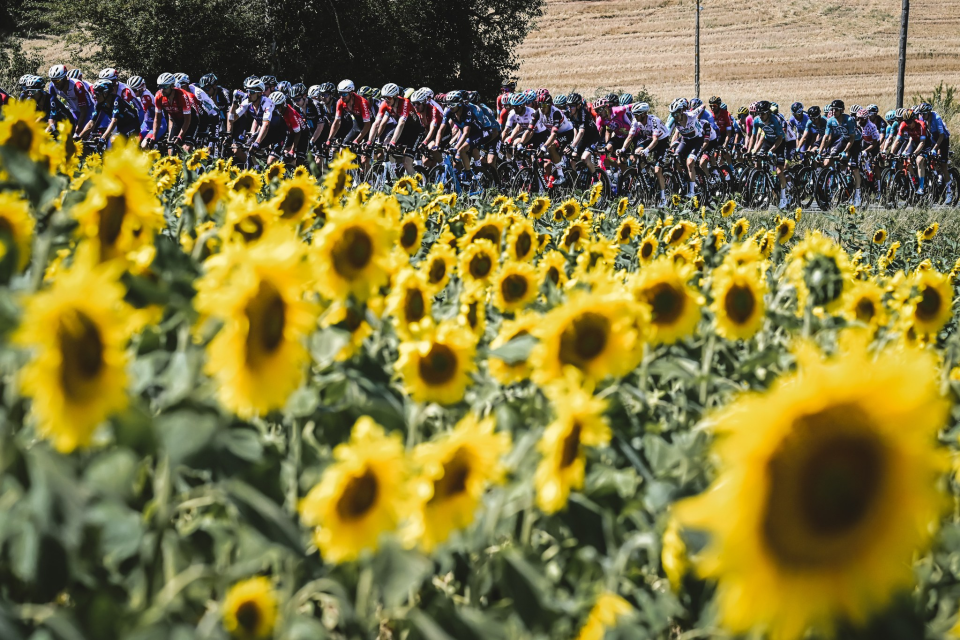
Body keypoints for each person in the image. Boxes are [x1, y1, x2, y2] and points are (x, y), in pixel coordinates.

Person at [623, 102, 670, 205]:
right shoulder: (636, 121)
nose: (634, 116)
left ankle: (663, 198)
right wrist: (622, 149)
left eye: (637, 114)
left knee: (658, 170)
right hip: (649, 139)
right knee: (636, 152)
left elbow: (656, 140)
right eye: (634, 114)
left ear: (644, 114)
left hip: (661, 141)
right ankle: (646, 174)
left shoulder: (654, 121)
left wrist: (647, 150)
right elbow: (630, 137)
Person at [818, 99, 863, 205]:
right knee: (828, 161)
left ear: (842, 110)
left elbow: (852, 139)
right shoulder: (830, 121)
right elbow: (826, 138)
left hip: (855, 142)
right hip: (843, 140)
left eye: (836, 110)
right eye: (832, 109)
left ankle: (858, 194)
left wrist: (845, 151)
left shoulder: (849, 120)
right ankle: (837, 180)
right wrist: (820, 152)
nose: (833, 112)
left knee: (855, 168)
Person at [749, 100, 789, 209]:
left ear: (768, 113)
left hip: (778, 143)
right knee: (757, 162)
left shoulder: (775, 121)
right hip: (767, 141)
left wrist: (771, 150)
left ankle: (783, 197)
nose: (760, 116)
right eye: (758, 113)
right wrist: (751, 151)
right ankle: (765, 189)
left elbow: (780, 138)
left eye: (762, 113)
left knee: (779, 171)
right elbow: (753, 137)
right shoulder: (757, 120)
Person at [665, 97, 706, 199]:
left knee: (690, 162)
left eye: (676, 113)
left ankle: (691, 192)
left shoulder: (691, 115)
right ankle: (683, 177)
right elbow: (667, 133)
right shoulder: (673, 120)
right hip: (686, 140)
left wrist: (698, 118)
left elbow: (703, 106)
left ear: (682, 111)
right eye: (672, 114)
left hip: (697, 140)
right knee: (676, 157)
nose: (674, 116)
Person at [75, 78, 141, 142]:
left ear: (105, 93)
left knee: (114, 141)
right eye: (94, 93)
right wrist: (79, 137)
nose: (94, 96)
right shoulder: (100, 103)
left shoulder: (116, 101)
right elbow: (91, 123)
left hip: (132, 125)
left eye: (97, 94)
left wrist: (103, 138)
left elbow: (114, 121)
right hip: (120, 126)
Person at [146, 72, 195, 153]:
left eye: (165, 87)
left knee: (186, 148)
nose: (162, 90)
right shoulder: (158, 96)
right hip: (176, 121)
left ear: (172, 86)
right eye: (160, 86)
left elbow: (187, 120)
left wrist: (180, 136)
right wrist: (154, 137)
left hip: (190, 121)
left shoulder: (182, 96)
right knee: (170, 148)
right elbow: (157, 119)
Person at [890, 108, 929, 195]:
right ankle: (914, 180)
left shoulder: (921, 125)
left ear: (914, 119)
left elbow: (922, 142)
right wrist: (892, 152)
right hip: (914, 142)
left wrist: (915, 154)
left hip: (925, 144)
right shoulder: (904, 124)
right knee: (906, 160)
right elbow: (897, 140)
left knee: (918, 160)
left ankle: (921, 187)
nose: (908, 124)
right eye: (906, 122)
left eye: (910, 122)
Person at [326, 79, 373, 146]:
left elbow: (367, 125)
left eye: (344, 94)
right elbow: (337, 122)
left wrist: (357, 140)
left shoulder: (362, 102)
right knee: (344, 147)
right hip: (357, 125)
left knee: (364, 154)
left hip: (368, 127)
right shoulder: (340, 102)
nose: (342, 96)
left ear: (351, 93)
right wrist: (329, 139)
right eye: (340, 93)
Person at [47, 64, 91, 133]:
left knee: (84, 133)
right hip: (74, 111)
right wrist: (51, 124)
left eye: (57, 81)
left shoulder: (77, 86)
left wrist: (78, 129)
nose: (55, 84)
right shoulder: (52, 86)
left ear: (64, 78)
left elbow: (84, 111)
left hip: (88, 110)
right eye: (53, 80)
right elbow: (52, 108)